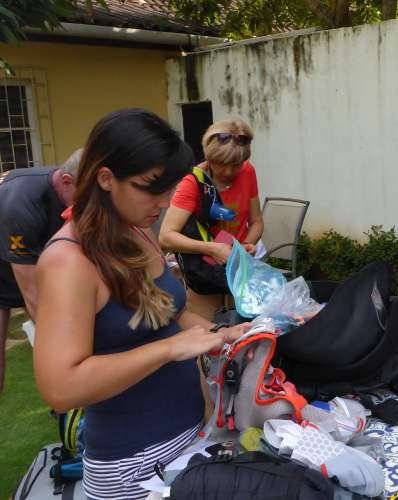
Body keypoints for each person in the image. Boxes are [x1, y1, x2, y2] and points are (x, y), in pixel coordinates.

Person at [33, 109, 251, 500]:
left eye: (169, 188)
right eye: (152, 188)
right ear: (106, 178)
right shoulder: (67, 261)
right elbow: (61, 387)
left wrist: (224, 333)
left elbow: (173, 315)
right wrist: (169, 350)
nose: (165, 202)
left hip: (189, 436)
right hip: (131, 465)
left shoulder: (136, 229)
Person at [159, 118, 264, 320]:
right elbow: (166, 237)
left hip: (237, 271)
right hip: (204, 273)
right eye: (221, 163)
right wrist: (212, 249)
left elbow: (257, 222)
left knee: (242, 332)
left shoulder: (248, 172)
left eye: (236, 164)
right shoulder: (192, 182)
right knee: (209, 334)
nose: (228, 171)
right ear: (209, 156)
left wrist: (245, 245)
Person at [0, 149, 82, 395]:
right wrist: (67, 349)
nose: (93, 204)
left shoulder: (70, 187)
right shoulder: (22, 203)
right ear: (67, 182)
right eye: (88, 195)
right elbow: (33, 294)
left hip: (28, 256)